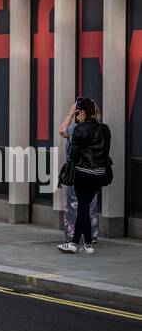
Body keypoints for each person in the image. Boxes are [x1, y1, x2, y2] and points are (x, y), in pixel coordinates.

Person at [58, 97, 112, 254]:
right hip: (99, 174)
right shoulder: (105, 129)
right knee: (85, 207)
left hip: (83, 173)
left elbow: (73, 155)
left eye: (78, 113)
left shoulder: (78, 129)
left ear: (81, 112)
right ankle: (87, 244)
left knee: (82, 208)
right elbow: (105, 151)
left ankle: (74, 243)